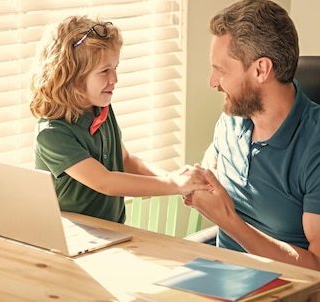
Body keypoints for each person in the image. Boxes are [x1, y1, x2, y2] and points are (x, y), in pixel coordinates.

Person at [183, 0, 320, 302]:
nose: (212, 82)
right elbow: (212, 168)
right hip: (229, 280)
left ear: (261, 69)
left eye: (220, 70)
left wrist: (229, 221)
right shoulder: (231, 121)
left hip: (301, 291)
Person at [29, 15, 209, 224]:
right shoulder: (52, 133)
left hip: (110, 232)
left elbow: (125, 160)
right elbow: (104, 181)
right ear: (71, 76)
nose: (114, 79)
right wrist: (174, 183)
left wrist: (174, 178)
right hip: (74, 238)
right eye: (105, 71)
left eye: (116, 68)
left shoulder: (101, 108)